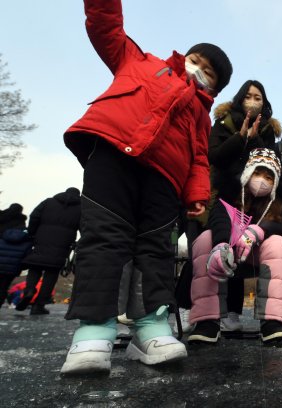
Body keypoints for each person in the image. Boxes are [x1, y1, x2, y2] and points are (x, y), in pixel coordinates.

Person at [60, 0, 233, 375]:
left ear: (214, 88)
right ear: (184, 56)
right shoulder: (140, 61)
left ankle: (150, 326)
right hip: (112, 156)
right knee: (104, 238)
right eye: (197, 61)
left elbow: (200, 158)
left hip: (166, 179)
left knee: (156, 250)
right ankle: (94, 329)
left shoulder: (202, 116)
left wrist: (197, 195)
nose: (199, 71)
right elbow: (106, 28)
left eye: (209, 74)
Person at [188, 148, 282, 344]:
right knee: (204, 239)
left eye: (269, 177)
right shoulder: (230, 192)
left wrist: (258, 231)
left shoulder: (278, 203)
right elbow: (218, 217)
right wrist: (221, 245)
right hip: (228, 253)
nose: (262, 180)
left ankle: (272, 321)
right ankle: (207, 320)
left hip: (257, 255)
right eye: (258, 173)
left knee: (280, 244)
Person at [208, 80, 281, 332]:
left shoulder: (269, 129)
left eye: (258, 97)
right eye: (248, 96)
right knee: (218, 246)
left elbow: (270, 162)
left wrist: (255, 137)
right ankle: (209, 313)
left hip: (255, 199)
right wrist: (240, 137)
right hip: (225, 195)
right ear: (240, 98)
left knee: (244, 251)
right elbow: (214, 156)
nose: (253, 100)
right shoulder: (223, 122)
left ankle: (236, 313)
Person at [14, 188, 81, 315]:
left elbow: (34, 216)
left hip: (41, 241)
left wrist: (32, 233)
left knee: (35, 268)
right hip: (62, 246)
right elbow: (85, 226)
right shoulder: (81, 208)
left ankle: (29, 290)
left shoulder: (49, 202)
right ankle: (39, 305)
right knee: (51, 274)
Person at [0, 204, 31, 308]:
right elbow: (26, 252)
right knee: (4, 286)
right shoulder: (22, 228)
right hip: (13, 265)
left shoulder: (2, 219)